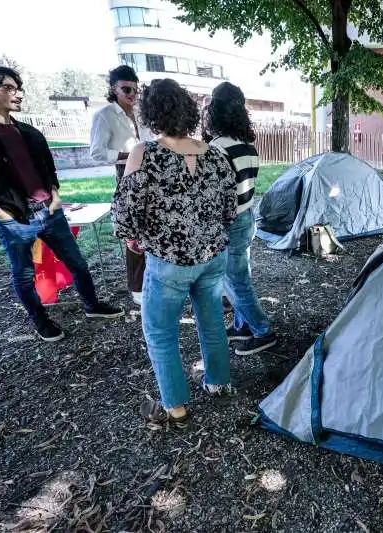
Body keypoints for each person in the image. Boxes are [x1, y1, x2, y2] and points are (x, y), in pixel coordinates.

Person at [0, 63, 123, 342]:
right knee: (23, 274)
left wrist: (55, 197)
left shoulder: (29, 132)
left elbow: (49, 169)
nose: (18, 93)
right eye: (9, 88)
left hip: (49, 212)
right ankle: (41, 321)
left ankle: (92, 305)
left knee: (78, 264)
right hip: (14, 218)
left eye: (18, 87)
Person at [112, 79, 238, 423]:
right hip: (213, 256)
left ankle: (176, 405)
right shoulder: (215, 154)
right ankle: (218, 382)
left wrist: (131, 237)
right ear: (188, 110)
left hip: (169, 261)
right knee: (212, 322)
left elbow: (127, 209)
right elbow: (231, 207)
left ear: (151, 114)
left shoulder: (145, 152)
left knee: (160, 332)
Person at [206, 82, 277, 356]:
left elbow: (217, 196)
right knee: (239, 276)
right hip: (247, 217)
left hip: (230, 222)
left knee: (235, 282)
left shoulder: (216, 149)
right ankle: (242, 325)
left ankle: (263, 331)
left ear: (214, 112)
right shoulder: (247, 147)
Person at [90, 65, 150, 306]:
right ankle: (138, 288)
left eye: (136, 89)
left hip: (150, 175)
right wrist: (129, 155)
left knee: (151, 227)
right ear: (113, 88)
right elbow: (96, 153)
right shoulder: (104, 115)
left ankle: (152, 279)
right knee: (133, 231)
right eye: (127, 89)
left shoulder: (142, 113)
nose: (133, 94)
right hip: (126, 174)